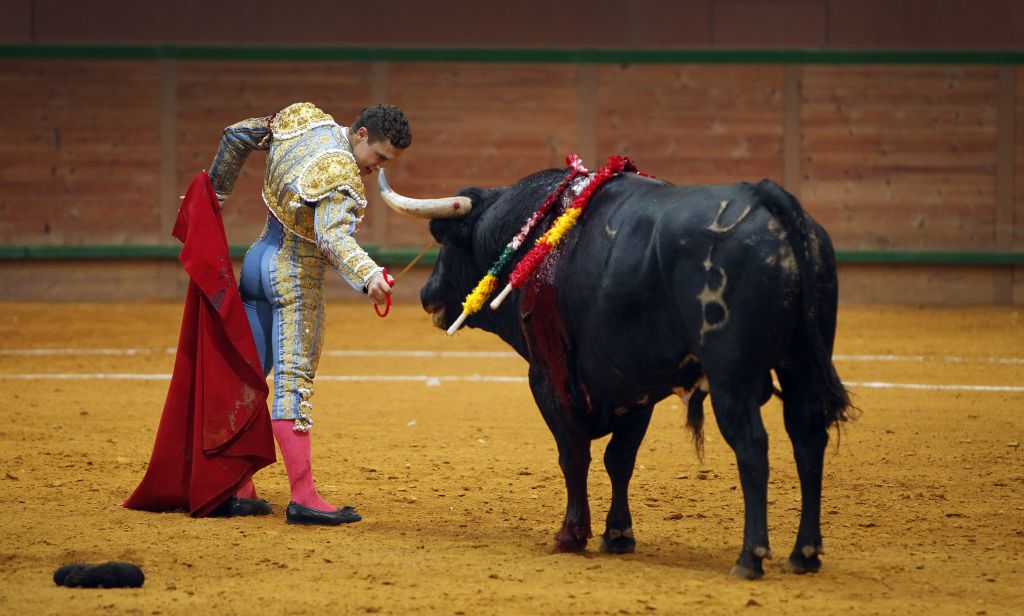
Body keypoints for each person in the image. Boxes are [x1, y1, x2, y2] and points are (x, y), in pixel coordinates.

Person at [207, 102, 409, 525]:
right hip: (293, 278)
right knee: (293, 382)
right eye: (379, 157)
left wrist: (216, 193)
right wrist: (369, 274)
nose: (377, 168)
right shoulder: (341, 175)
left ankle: (232, 485)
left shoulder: (303, 120)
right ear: (362, 134)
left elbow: (236, 135)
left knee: (247, 376)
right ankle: (303, 495)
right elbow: (331, 238)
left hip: (257, 262)